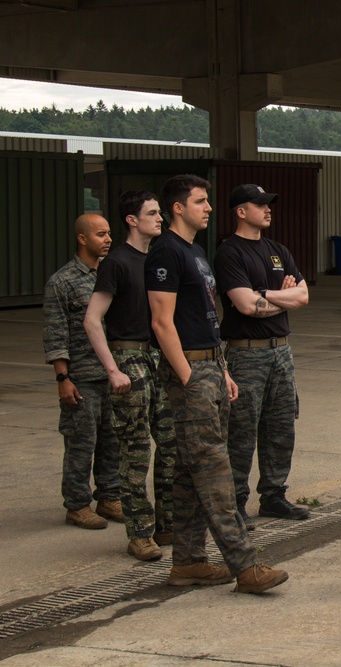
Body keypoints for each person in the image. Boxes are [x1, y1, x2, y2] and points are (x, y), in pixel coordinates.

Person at [146, 174, 287, 594]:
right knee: (214, 471)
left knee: (190, 473)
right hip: (189, 372)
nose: (209, 208)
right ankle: (246, 566)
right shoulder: (166, 252)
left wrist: (220, 368)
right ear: (178, 207)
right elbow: (161, 321)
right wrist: (189, 377)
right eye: (201, 201)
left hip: (209, 366)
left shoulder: (194, 252)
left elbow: (204, 319)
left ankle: (189, 562)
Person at [83, 191, 177, 561]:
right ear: (131, 220)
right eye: (152, 213)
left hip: (159, 357)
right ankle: (139, 533)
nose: (160, 219)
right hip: (130, 357)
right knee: (136, 450)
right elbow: (92, 319)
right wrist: (112, 369)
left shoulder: (159, 259)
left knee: (170, 446)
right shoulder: (116, 262)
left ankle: (167, 524)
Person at [215, 184, 311, 530]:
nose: (268, 209)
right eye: (260, 205)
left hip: (280, 352)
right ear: (241, 212)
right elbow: (243, 306)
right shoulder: (230, 253)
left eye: (269, 204)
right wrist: (280, 298)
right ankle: (236, 502)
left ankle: (273, 496)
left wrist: (264, 295)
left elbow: (302, 297)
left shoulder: (277, 250)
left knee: (281, 425)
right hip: (246, 355)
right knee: (241, 431)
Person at [43, 214, 123, 530]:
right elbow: (54, 332)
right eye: (100, 234)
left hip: (112, 374)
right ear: (82, 238)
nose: (107, 239)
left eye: (109, 233)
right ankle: (77, 504)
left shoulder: (110, 275)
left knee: (112, 441)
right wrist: (63, 378)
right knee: (81, 443)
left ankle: (109, 497)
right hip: (81, 377)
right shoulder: (62, 282)